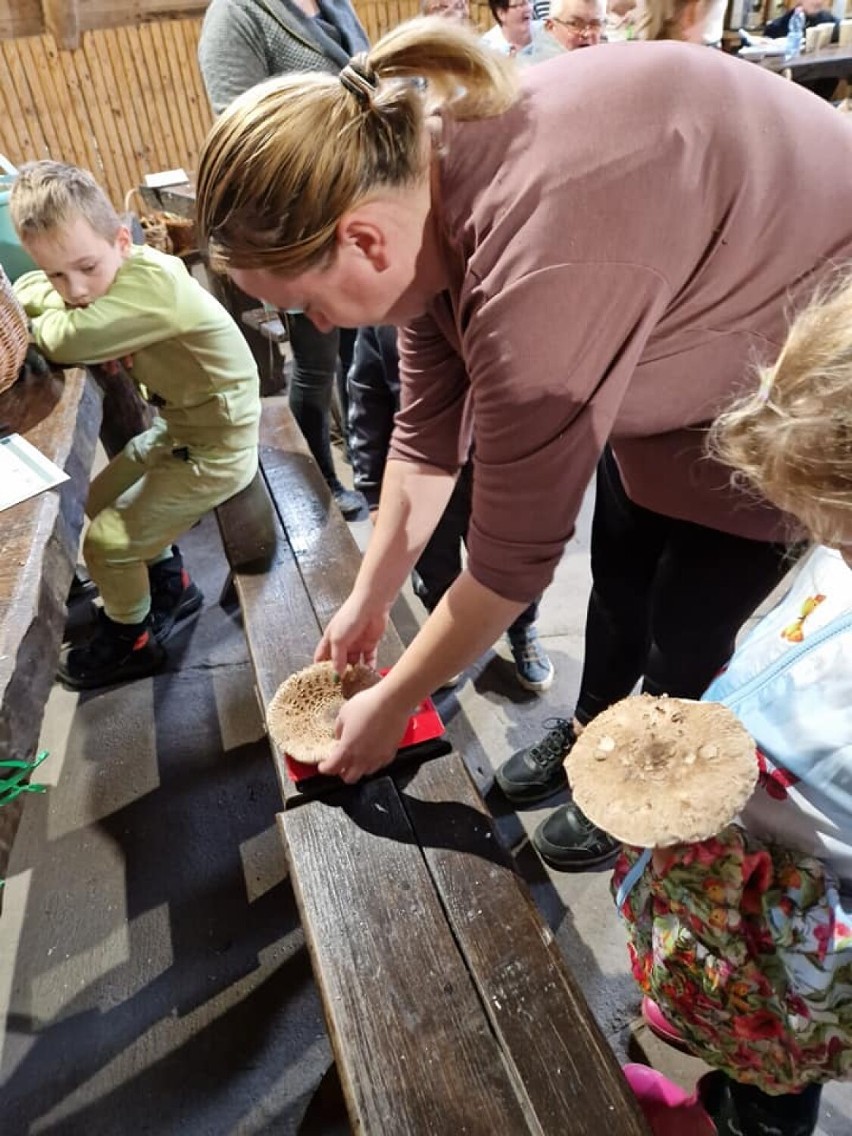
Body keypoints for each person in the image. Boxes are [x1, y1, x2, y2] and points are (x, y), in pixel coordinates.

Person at [193, 20, 852, 815]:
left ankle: (644, 788)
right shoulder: (417, 183)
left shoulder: (536, 274)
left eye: (307, 305)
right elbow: (426, 437)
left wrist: (398, 700)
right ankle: (590, 734)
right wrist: (370, 598)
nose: (322, 329)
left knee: (692, 613)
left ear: (360, 239)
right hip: (669, 327)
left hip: (781, 343)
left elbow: (512, 564)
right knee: (621, 573)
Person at [612, 276, 852, 1136]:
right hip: (736, 880)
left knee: (780, 1059)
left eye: (841, 531)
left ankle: (763, 1107)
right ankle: (739, 1073)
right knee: (744, 1041)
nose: (827, 548)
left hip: (807, 940)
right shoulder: (839, 557)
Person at [11, 160, 261, 690]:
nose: (74, 289)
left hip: (217, 448)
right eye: (58, 274)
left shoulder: (151, 292)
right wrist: (45, 293)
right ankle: (171, 583)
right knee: (93, 502)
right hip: (181, 431)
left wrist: (39, 310)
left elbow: (64, 338)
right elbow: (33, 286)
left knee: (104, 544)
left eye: (85, 267)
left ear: (123, 241)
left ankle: (133, 640)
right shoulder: (124, 273)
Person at [197, 0, 368, 520]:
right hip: (300, 227)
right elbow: (244, 130)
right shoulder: (236, 15)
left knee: (363, 357)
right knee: (316, 364)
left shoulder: (335, 3)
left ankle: (367, 463)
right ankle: (320, 477)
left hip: (359, 207)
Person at [349, 324, 554, 691]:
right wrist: (373, 492)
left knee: (513, 567)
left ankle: (521, 629)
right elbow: (367, 401)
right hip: (425, 480)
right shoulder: (385, 323)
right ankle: (445, 638)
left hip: (501, 476)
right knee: (435, 568)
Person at [521, 0, 606, 61]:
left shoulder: (607, 60)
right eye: (575, 24)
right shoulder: (532, 70)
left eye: (595, 24)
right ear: (550, 26)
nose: (587, 33)